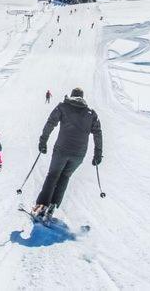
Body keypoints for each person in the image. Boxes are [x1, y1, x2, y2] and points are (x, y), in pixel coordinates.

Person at [32, 88, 102, 220]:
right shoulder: (91, 114)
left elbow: (50, 123)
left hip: (62, 149)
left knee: (53, 175)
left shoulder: (63, 107)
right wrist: (98, 153)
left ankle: (41, 206)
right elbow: (98, 133)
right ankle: (52, 205)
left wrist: (43, 141)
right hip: (79, 154)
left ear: (71, 96)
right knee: (65, 177)